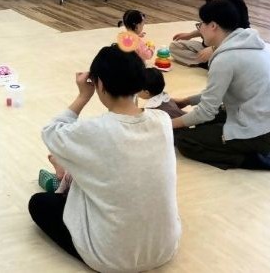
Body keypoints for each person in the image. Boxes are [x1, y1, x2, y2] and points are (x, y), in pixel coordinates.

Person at [28, 45, 181, 272]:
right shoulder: (163, 120)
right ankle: (66, 171)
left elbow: (50, 132)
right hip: (164, 248)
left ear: (99, 84)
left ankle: (64, 174)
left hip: (111, 257)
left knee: (39, 203)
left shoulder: (94, 130)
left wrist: (83, 95)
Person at [172, 0, 270, 170]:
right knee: (200, 123)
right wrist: (187, 101)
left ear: (213, 26)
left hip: (259, 135)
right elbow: (217, 96)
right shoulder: (251, 44)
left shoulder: (225, 59)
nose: (200, 29)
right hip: (264, 123)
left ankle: (249, 160)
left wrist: (169, 123)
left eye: (201, 25)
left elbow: (206, 111)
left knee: (185, 140)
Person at [170, 0, 250, 67]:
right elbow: (208, 26)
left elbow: (242, 33)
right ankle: (210, 62)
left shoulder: (235, 1)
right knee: (175, 47)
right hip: (208, 45)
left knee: (228, 58)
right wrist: (190, 35)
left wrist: (214, 49)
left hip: (227, 48)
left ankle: (213, 62)